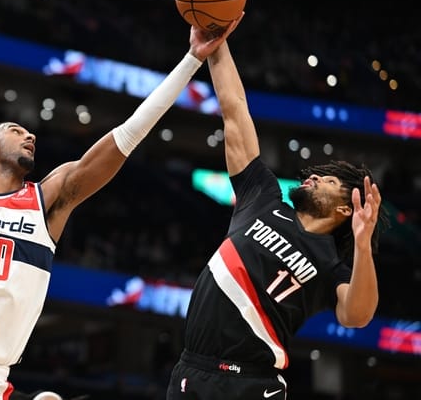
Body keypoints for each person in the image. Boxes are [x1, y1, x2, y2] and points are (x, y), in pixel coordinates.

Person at [0, 23, 240, 400]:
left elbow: (127, 135)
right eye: (15, 130)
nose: (31, 136)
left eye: (30, 133)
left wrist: (192, 60)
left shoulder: (48, 201)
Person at [166, 21, 388, 399]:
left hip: (253, 384)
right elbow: (235, 112)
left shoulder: (332, 264)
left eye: (328, 181)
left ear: (344, 208)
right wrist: (216, 45)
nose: (314, 177)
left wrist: (363, 245)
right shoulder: (262, 196)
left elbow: (357, 315)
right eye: (317, 174)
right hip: (192, 369)